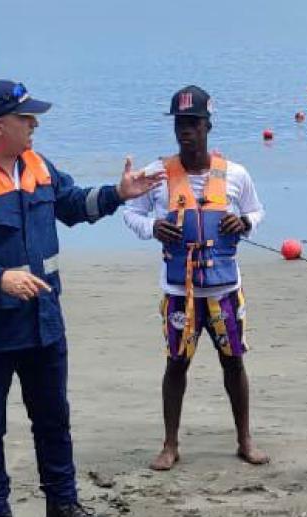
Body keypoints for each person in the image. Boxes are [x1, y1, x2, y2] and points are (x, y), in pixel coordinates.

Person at [0, 79, 161, 517]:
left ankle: (62, 506)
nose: (34, 124)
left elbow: (70, 205)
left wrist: (117, 193)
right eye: (26, 118)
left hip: (43, 321)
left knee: (54, 418)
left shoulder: (37, 165)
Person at [121, 86, 268, 471]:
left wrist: (246, 222)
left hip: (224, 290)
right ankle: (170, 444)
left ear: (208, 126)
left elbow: (256, 210)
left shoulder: (235, 174)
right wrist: (153, 227)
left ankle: (245, 439)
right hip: (179, 292)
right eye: (180, 124)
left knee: (233, 362)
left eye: (193, 124)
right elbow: (130, 213)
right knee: (176, 364)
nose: (185, 131)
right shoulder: (157, 174)